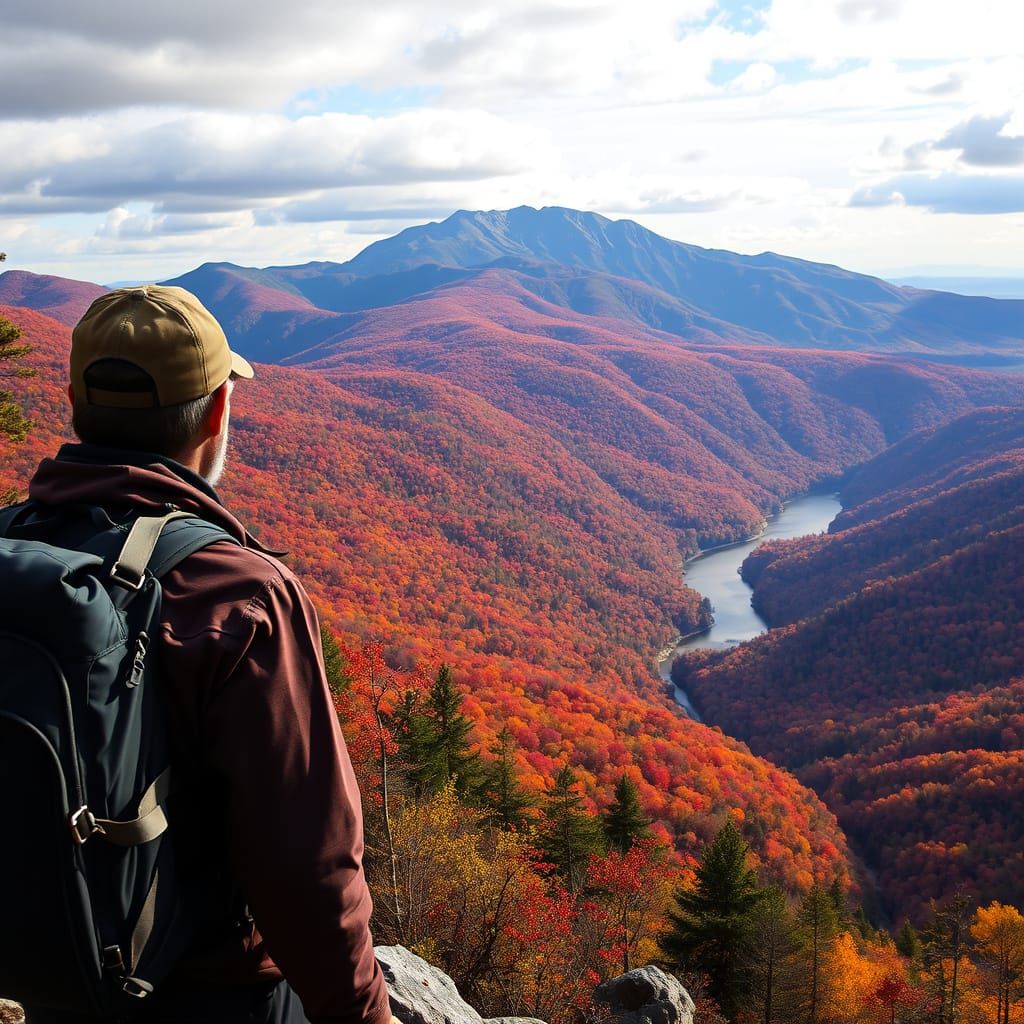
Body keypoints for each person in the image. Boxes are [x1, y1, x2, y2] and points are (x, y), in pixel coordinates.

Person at [20, 285, 392, 1024]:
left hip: (40, 964)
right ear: (217, 413)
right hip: (202, 990)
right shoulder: (241, 594)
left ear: (72, 400)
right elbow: (309, 868)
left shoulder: (15, 553)